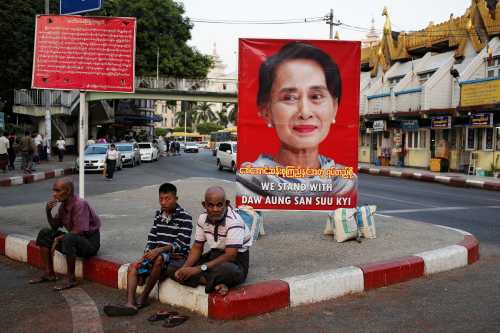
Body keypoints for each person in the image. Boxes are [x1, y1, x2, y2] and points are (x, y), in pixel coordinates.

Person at [237, 42, 357, 198]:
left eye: (316, 96)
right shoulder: (247, 184)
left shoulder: (345, 183)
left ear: (334, 107)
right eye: (290, 98)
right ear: (266, 110)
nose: (305, 112)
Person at [103, 183, 193, 317]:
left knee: (159, 259)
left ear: (176, 199)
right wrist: (146, 255)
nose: (163, 202)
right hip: (157, 256)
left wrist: (159, 250)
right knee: (134, 266)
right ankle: (130, 304)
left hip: (176, 258)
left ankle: (142, 300)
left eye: (167, 199)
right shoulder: (158, 216)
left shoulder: (185, 218)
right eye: (161, 199)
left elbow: (181, 243)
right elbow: (151, 239)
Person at [173, 186, 252, 296]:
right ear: (204, 205)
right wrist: (184, 268)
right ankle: (216, 283)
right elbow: (197, 247)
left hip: (236, 261)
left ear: (227, 203)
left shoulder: (234, 222)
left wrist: (198, 269)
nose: (215, 209)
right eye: (210, 205)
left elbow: (230, 256)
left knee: (230, 271)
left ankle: (204, 280)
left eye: (219, 205)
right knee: (175, 265)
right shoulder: (202, 218)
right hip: (214, 256)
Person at [29, 179, 101, 290]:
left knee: (69, 237)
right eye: (54, 190)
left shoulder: (80, 204)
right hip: (74, 239)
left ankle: (71, 279)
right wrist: (48, 212)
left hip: (89, 243)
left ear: (68, 191)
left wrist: (60, 238)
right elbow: (54, 226)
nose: (54, 194)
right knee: (45, 233)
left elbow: (79, 231)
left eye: (57, 191)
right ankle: (49, 273)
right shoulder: (63, 206)